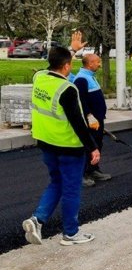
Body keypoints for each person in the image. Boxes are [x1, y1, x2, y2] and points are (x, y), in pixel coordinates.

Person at [23, 46, 100, 246]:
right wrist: (92, 147)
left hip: (45, 143)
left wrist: (71, 51)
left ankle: (37, 220)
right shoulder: (67, 89)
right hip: (68, 147)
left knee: (56, 182)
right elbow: (78, 123)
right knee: (71, 189)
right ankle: (70, 233)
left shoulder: (39, 77)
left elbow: (51, 66)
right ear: (66, 67)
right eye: (70, 64)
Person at [73, 53, 112, 187]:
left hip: (98, 119)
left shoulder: (90, 77)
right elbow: (81, 101)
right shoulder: (81, 79)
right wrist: (89, 116)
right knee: (89, 146)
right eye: (97, 62)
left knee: (97, 145)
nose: (99, 64)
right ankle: (83, 174)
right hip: (91, 121)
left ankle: (93, 170)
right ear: (90, 64)